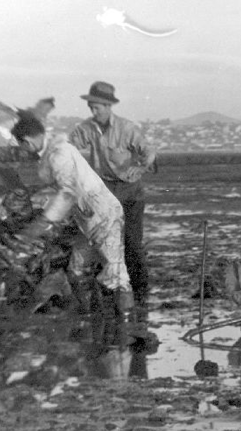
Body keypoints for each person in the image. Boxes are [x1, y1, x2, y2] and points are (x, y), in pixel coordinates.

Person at [10, 110, 136, 326]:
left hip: (104, 215)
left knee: (117, 273)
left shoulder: (59, 154)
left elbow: (67, 193)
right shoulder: (52, 152)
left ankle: (127, 327)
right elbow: (58, 186)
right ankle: (91, 317)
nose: (22, 149)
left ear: (28, 140)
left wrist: (41, 224)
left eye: (21, 144)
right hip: (86, 220)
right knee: (76, 270)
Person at [69, 82, 157, 312]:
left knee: (131, 243)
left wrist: (139, 168)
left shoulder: (126, 129)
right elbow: (69, 147)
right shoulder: (87, 128)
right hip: (105, 193)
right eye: (91, 107)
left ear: (108, 106)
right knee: (102, 242)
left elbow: (148, 152)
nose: (93, 112)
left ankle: (140, 291)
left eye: (96, 107)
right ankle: (109, 289)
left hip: (130, 194)